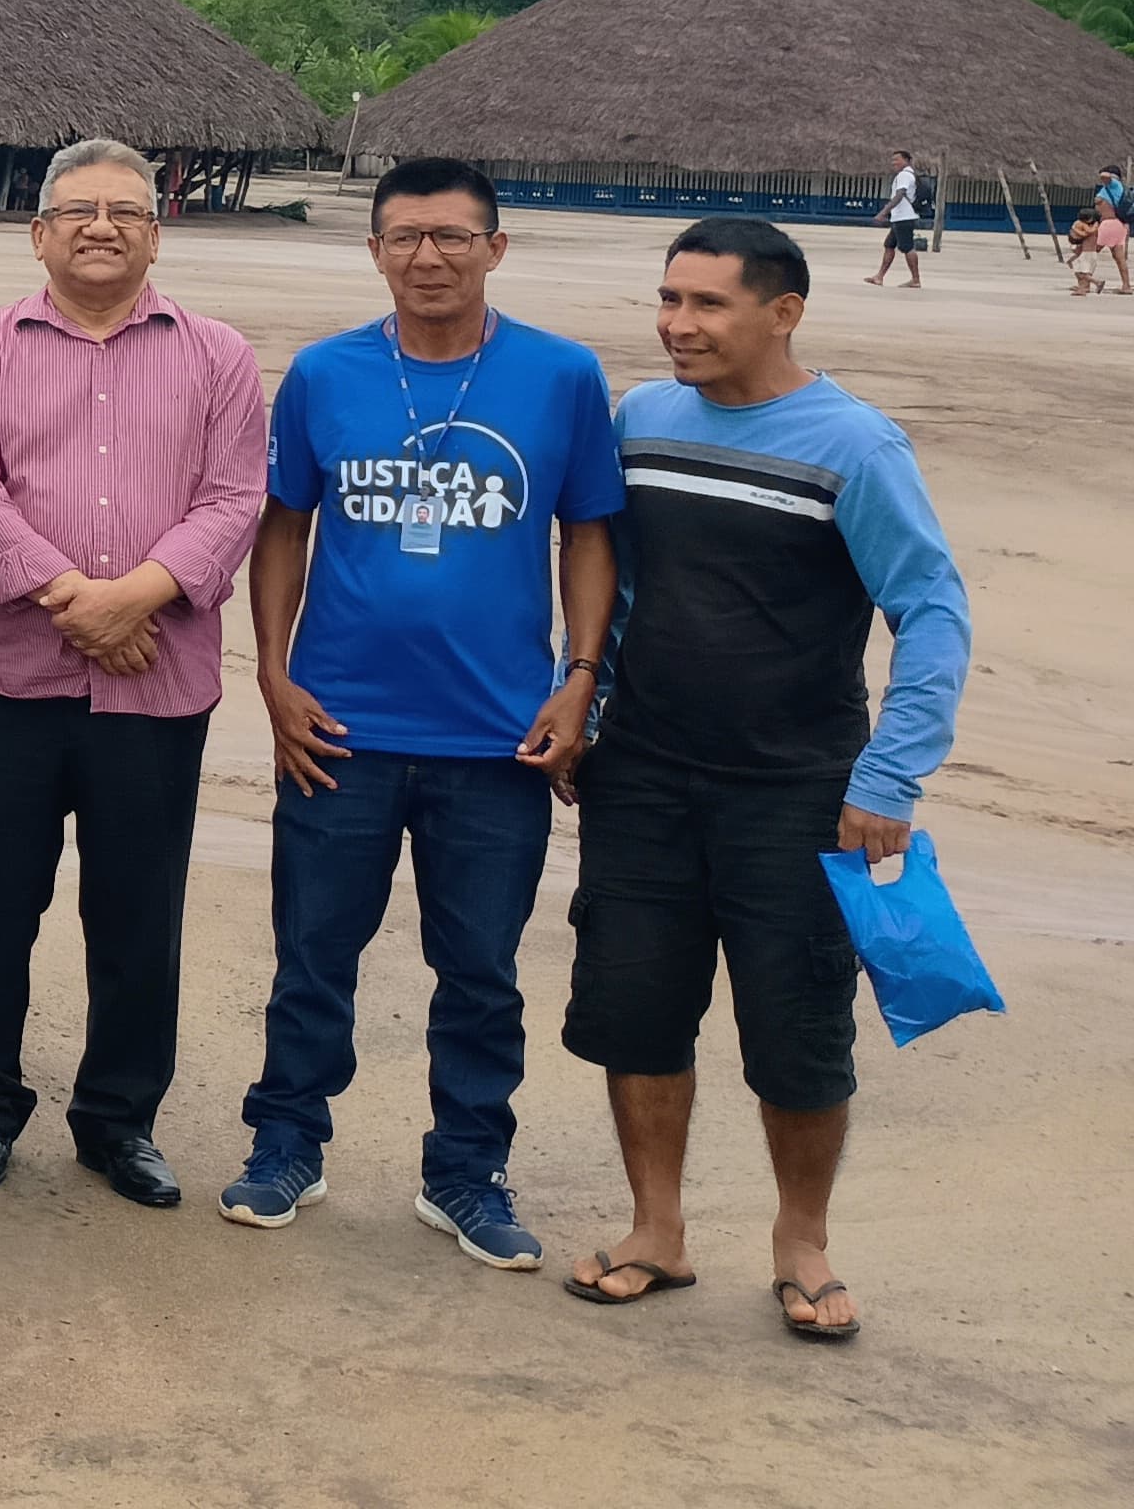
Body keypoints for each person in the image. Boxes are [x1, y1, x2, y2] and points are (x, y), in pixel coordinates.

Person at [553, 219, 969, 1342]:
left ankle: (802, 1240)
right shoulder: (640, 420)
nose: (676, 325)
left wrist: (891, 775)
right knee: (635, 1005)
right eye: (668, 299)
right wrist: (581, 704)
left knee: (795, 1023)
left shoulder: (855, 443)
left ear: (782, 312)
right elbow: (614, 582)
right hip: (641, 774)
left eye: (707, 305)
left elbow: (930, 609)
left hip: (800, 786)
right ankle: (657, 1228)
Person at [223, 156, 621, 1266]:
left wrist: (581, 673)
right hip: (339, 728)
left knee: (483, 971)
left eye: (452, 237)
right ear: (375, 250)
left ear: (496, 248)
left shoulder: (561, 376)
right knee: (312, 955)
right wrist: (272, 671)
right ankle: (285, 1143)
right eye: (405, 237)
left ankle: (466, 1171)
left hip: (500, 738)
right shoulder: (324, 374)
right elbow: (282, 525)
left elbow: (589, 530)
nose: (428, 257)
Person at [0, 139, 265, 1208]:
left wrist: (140, 597)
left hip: (157, 687)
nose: (102, 226)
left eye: (126, 209)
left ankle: (119, 1118)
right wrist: (81, 602)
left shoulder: (219, 356)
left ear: (157, 232)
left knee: (137, 912)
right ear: (39, 232)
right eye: (78, 210)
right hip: (3, 682)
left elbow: (234, 499)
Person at [862, 149, 924, 288]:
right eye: (893, 160)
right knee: (889, 245)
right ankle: (879, 277)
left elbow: (900, 194)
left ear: (907, 160)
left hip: (904, 217)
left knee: (907, 247)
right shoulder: (908, 175)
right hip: (900, 217)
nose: (894, 162)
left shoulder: (904, 175)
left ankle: (915, 279)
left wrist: (884, 212)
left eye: (897, 159)